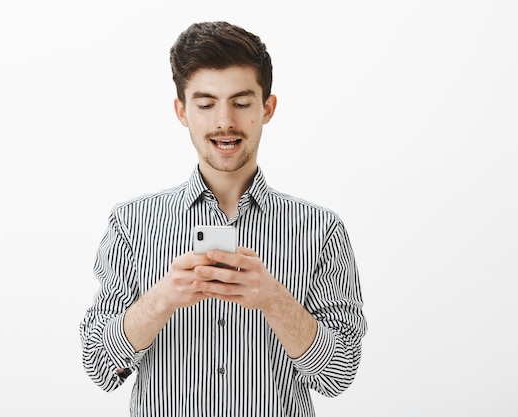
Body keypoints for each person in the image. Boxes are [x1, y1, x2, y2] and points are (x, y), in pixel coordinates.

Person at [80, 21, 367, 417]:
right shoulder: (132, 223)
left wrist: (273, 299)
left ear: (267, 108)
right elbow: (98, 365)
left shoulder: (320, 230)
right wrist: (162, 299)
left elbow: (339, 376)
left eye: (241, 102)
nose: (224, 121)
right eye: (205, 103)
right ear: (182, 111)